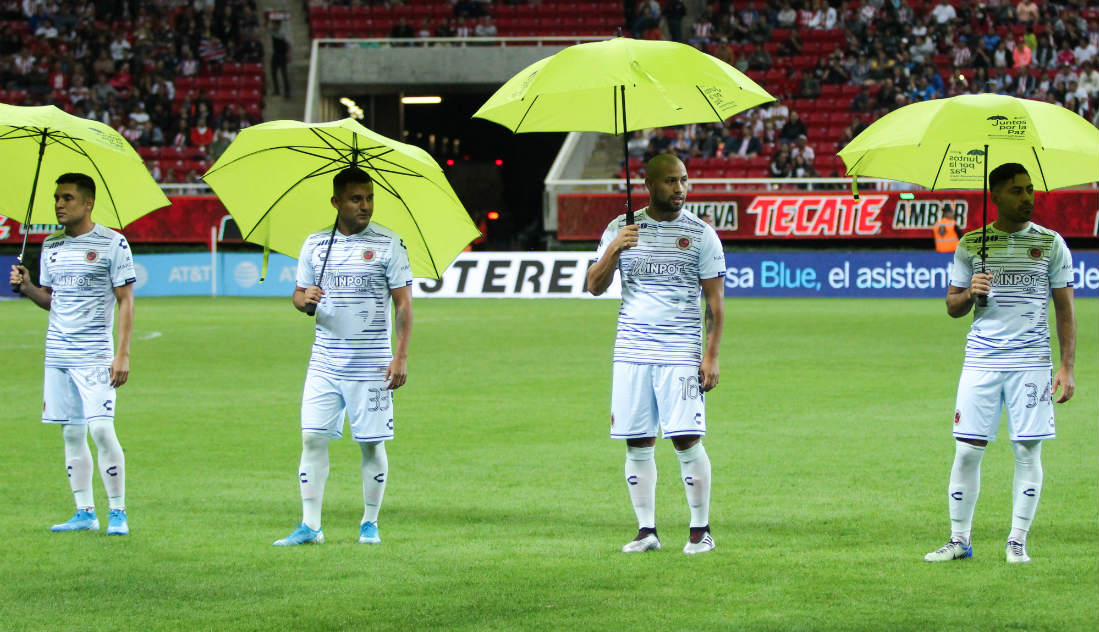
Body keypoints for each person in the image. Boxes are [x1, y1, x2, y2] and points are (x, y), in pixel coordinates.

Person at [924, 163, 1076, 564]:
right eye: (1016, 191)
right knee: (967, 452)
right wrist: (971, 293)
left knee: (1027, 452)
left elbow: (1065, 310)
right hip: (981, 361)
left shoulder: (1051, 243)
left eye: (1029, 190)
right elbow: (952, 306)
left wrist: (1066, 367)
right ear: (995, 196)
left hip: (1030, 362)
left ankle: (1017, 541)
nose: (1027, 197)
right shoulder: (972, 244)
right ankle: (959, 541)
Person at [586, 154, 726, 555]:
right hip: (631, 351)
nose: (680, 188)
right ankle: (646, 530)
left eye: (683, 180)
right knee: (637, 441)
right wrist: (615, 247)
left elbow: (715, 303)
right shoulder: (620, 228)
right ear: (647, 184)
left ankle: (700, 531)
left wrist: (710, 356)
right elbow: (594, 285)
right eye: (669, 181)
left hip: (680, 352)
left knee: (685, 438)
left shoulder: (701, 235)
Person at [274, 167, 413, 547]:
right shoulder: (316, 244)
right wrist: (306, 300)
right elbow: (298, 294)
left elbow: (403, 305)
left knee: (371, 443)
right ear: (336, 202)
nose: (365, 205)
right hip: (324, 361)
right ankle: (310, 525)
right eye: (356, 198)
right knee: (312, 438)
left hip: (371, 364)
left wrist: (400, 357)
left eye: (369, 197)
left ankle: (370, 522)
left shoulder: (389, 244)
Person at [8, 173, 136, 536]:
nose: (59, 204)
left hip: (95, 354)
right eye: (56, 197)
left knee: (100, 429)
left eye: (67, 197)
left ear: (88, 202)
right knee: (71, 433)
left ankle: (117, 512)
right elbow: (52, 300)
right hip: (57, 354)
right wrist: (28, 287)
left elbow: (126, 301)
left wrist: (122, 355)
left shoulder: (113, 243)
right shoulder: (51, 246)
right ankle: (84, 512)